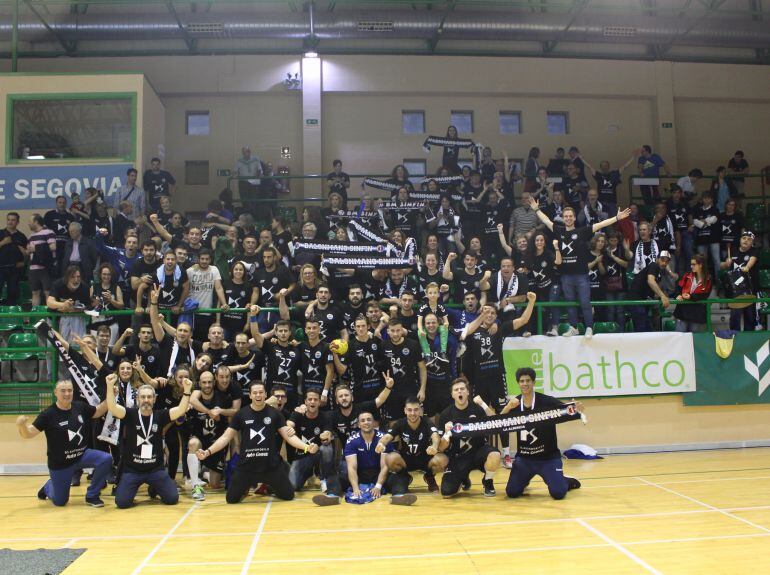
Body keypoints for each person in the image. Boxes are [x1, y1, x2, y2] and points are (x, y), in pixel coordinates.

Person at [197, 381, 317, 504]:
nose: (258, 395)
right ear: (250, 395)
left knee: (288, 496)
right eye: (255, 393)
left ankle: (270, 486)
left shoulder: (275, 414)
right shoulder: (241, 414)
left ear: (266, 394)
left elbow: (289, 436)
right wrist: (207, 452)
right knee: (231, 499)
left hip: (270, 467)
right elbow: (225, 438)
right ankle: (247, 487)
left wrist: (307, 447)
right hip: (246, 468)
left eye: (261, 392)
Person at [529, 196, 632, 338]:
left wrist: (616, 218)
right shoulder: (559, 231)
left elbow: (601, 225)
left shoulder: (582, 231)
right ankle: (574, 327)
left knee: (585, 302)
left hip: (582, 275)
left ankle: (589, 328)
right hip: (566, 275)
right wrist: (536, 210)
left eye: (570, 216)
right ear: (563, 218)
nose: (568, 218)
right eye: (566, 216)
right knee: (571, 304)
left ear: (574, 218)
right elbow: (546, 220)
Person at [462, 294, 536, 467]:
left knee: (504, 415)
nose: (489, 316)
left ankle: (506, 454)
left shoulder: (500, 328)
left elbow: (523, 320)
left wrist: (531, 301)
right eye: (486, 312)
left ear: (496, 316)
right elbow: (465, 333)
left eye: (493, 314)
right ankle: (481, 454)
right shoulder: (473, 330)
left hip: (497, 379)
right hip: (479, 381)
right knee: (480, 418)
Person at [16, 380, 111, 507]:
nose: (67, 394)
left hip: (81, 456)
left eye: (70, 390)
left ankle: (92, 495)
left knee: (106, 459)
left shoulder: (80, 407)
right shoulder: (48, 414)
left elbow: (98, 411)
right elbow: (28, 433)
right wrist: (21, 425)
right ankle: (48, 487)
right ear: (55, 392)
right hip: (61, 464)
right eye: (63, 391)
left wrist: (111, 395)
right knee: (60, 502)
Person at [107, 373, 191, 508]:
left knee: (172, 499)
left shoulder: (161, 415)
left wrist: (187, 391)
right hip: (133, 470)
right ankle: (142, 487)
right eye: (143, 397)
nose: (146, 400)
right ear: (138, 399)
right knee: (122, 503)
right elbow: (112, 408)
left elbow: (181, 410)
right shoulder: (130, 415)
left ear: (154, 399)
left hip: (155, 469)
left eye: (149, 397)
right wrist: (109, 387)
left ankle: (154, 487)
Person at [505, 367, 583, 500]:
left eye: (528, 380)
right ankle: (524, 479)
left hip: (548, 458)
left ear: (534, 382)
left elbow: (565, 411)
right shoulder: (515, 404)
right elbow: (499, 423)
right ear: (518, 383)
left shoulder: (547, 401)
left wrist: (575, 408)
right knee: (512, 492)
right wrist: (507, 407)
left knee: (558, 493)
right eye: (522, 381)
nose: (525, 384)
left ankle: (565, 480)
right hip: (525, 459)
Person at [438, 378, 504, 497]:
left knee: (495, 455)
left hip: (478, 453)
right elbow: (441, 448)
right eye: (456, 390)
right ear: (452, 394)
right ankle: (463, 477)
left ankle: (488, 481)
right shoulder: (446, 414)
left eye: (462, 389)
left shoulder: (477, 409)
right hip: (458, 458)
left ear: (468, 392)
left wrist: (483, 404)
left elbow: (496, 424)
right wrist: (446, 434)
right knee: (446, 493)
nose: (460, 392)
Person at [377, 396, 447, 494]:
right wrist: (381, 443)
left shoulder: (426, 422)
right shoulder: (400, 423)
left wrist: (434, 446)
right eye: (409, 410)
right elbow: (388, 436)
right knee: (390, 458)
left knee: (443, 460)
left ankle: (429, 477)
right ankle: (405, 476)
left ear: (420, 410)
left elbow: (435, 436)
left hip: (424, 458)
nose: (413, 413)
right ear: (405, 410)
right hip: (406, 459)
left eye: (416, 410)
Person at [186, 370, 229, 501]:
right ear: (199, 383)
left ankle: (204, 473)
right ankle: (196, 485)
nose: (207, 385)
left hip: (216, 444)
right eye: (204, 382)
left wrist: (222, 412)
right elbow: (183, 415)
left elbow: (233, 414)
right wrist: (209, 412)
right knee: (192, 444)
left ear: (214, 382)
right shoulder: (194, 400)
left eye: (210, 382)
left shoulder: (222, 398)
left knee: (215, 485)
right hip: (200, 440)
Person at [287, 389, 338, 495]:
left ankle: (324, 480)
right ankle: (308, 473)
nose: (312, 402)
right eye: (310, 399)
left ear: (319, 402)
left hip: (318, 454)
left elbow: (327, 432)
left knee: (326, 448)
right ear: (305, 402)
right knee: (293, 486)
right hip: (301, 457)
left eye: (315, 399)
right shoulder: (298, 414)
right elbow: (289, 423)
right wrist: (290, 427)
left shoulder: (325, 416)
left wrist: (326, 436)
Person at [379, 319, 427, 422]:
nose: (395, 334)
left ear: (402, 330)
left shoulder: (413, 345)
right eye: (392, 331)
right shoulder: (383, 346)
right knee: (393, 424)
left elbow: (422, 368)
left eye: (398, 330)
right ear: (388, 331)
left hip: (411, 390)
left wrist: (422, 389)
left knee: (416, 420)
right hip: (391, 392)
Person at [628, 251, 676, 332]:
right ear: (657, 259)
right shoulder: (654, 266)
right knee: (642, 330)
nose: (664, 263)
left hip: (643, 301)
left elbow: (654, 289)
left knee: (647, 330)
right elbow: (650, 281)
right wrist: (663, 296)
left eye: (667, 261)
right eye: (662, 260)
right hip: (637, 301)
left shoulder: (659, 272)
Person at [186, 248, 228, 341]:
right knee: (191, 339)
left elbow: (219, 288)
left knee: (204, 339)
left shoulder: (214, 269)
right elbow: (184, 289)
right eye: (202, 259)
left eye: (207, 259)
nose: (204, 261)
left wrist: (224, 303)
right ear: (198, 259)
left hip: (207, 312)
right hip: (192, 312)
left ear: (210, 259)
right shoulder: (190, 271)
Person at [722, 231, 759, 331]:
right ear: (740, 240)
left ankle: (749, 339)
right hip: (735, 291)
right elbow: (722, 266)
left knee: (750, 317)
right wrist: (726, 263)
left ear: (752, 242)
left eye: (749, 239)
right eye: (744, 238)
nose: (746, 240)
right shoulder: (733, 251)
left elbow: (752, 260)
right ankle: (735, 337)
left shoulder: (754, 251)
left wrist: (746, 267)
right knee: (735, 317)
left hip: (749, 290)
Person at [47, 265, 91, 341]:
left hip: (74, 319)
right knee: (53, 346)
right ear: (67, 278)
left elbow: (88, 307)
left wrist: (72, 310)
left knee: (73, 345)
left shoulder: (85, 288)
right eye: (73, 277)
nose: (76, 280)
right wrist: (63, 304)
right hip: (54, 319)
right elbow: (49, 302)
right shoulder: (58, 284)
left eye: (78, 277)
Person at [673, 254, 712, 333]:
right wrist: (678, 295)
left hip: (696, 314)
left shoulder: (708, 279)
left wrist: (690, 297)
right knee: (680, 337)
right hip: (682, 312)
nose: (691, 266)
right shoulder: (687, 276)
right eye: (691, 264)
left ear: (700, 265)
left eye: (694, 264)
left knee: (693, 338)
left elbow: (704, 295)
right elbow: (678, 289)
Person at [27, 214, 57, 306]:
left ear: (36, 222)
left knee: (48, 292)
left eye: (30, 221)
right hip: (33, 268)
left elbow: (53, 247)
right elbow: (28, 251)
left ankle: (49, 318)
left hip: (45, 267)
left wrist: (36, 248)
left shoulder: (48, 232)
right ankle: (36, 316)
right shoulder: (31, 236)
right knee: (35, 293)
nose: (28, 224)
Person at [0, 212, 28, 305]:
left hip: (15, 268)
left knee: (13, 291)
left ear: (17, 222)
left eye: (13, 220)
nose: (10, 222)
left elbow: (27, 253)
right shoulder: (1, 233)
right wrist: (3, 242)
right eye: (8, 219)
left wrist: (23, 262)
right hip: (1, 267)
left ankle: (11, 313)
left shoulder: (22, 236)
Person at [44, 195, 74, 271]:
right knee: (53, 268)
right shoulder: (49, 215)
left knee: (65, 268)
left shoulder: (70, 217)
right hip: (53, 246)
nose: (62, 204)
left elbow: (73, 233)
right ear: (56, 203)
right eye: (60, 202)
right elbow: (44, 230)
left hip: (66, 246)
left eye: (63, 203)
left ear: (66, 204)